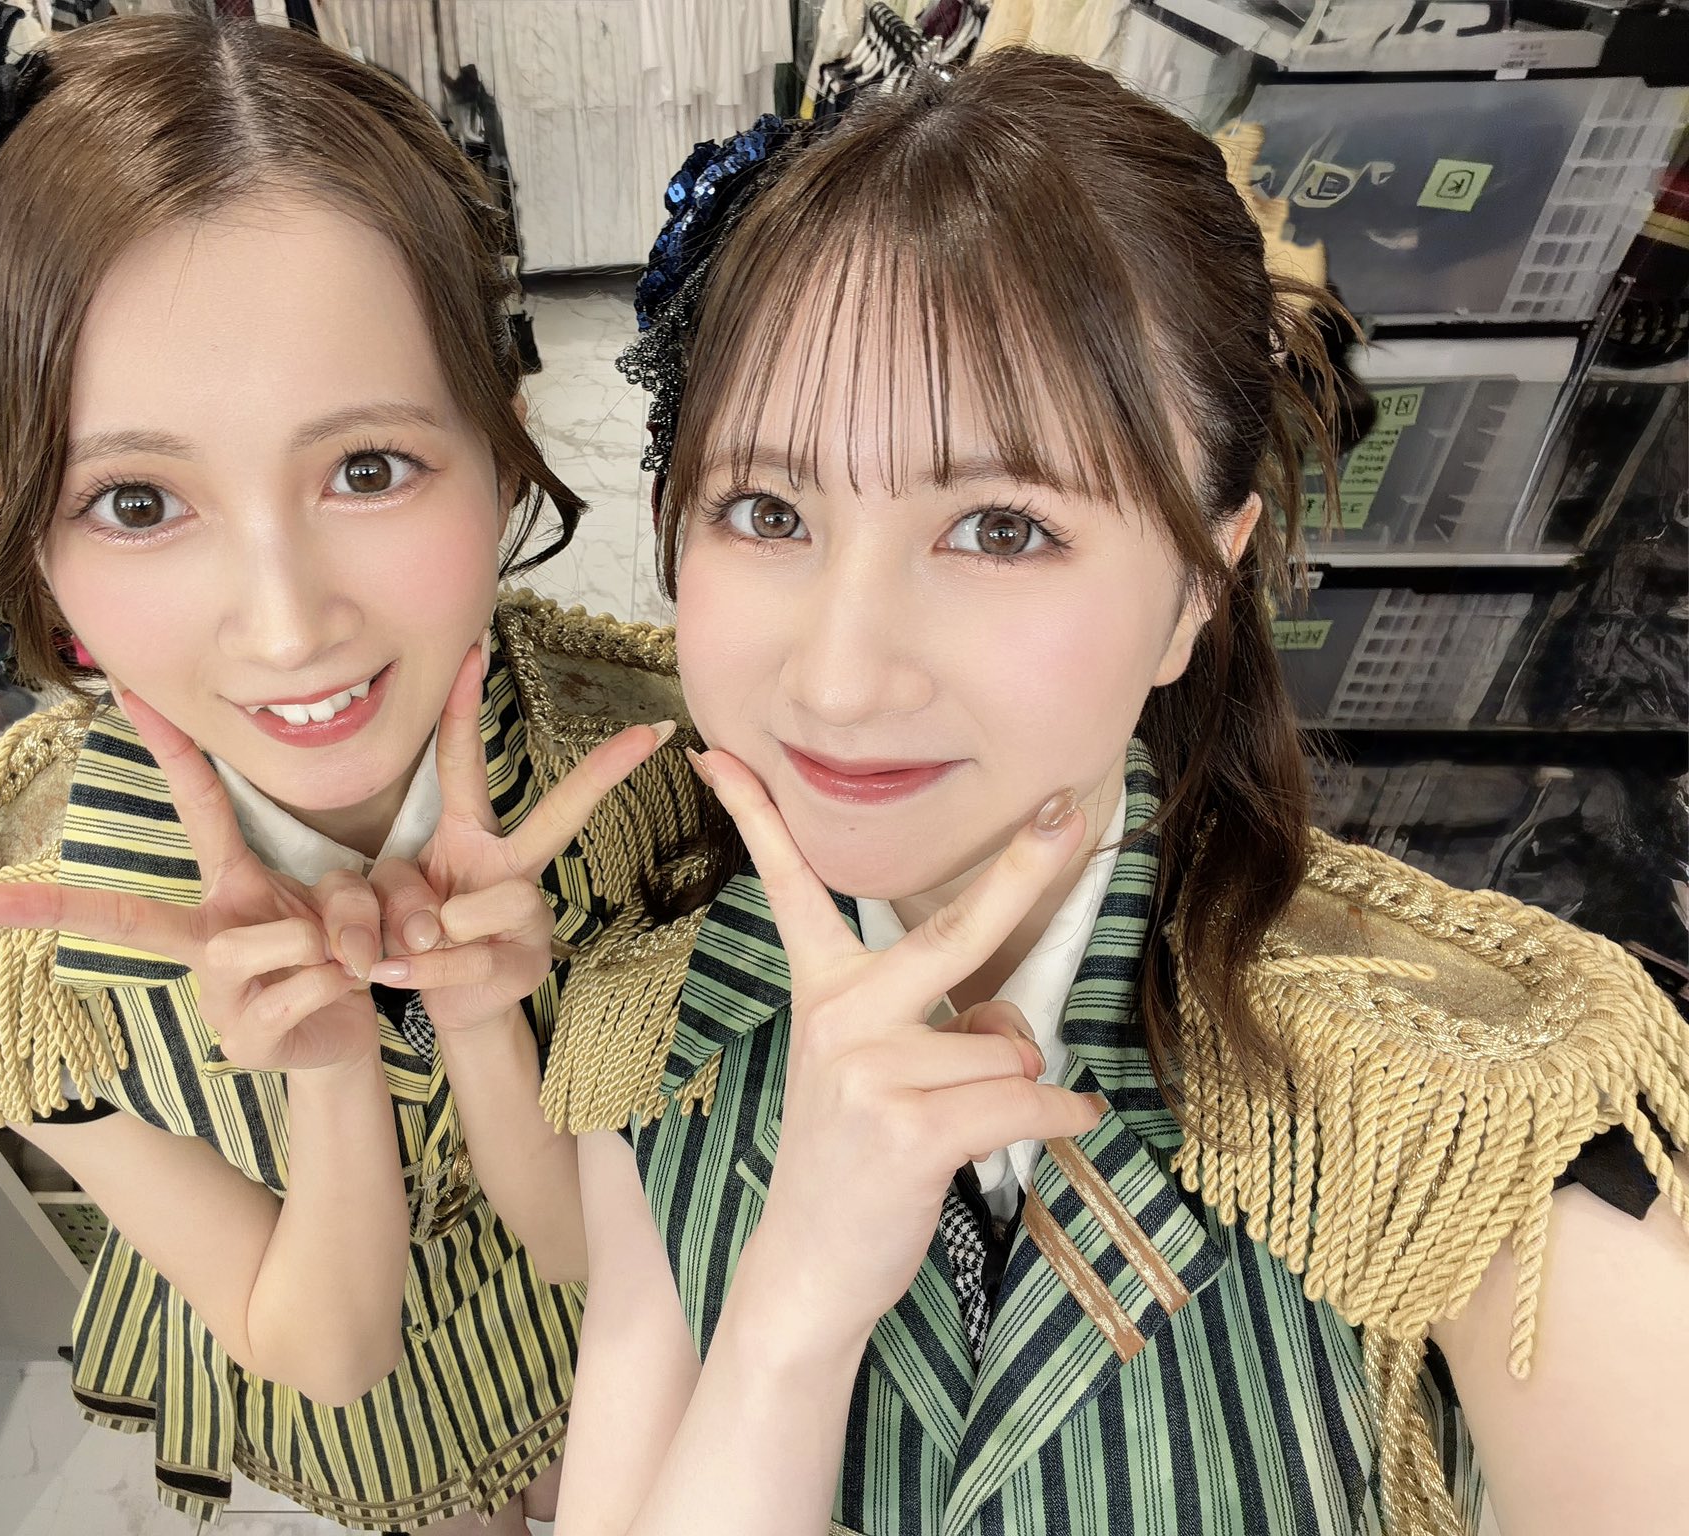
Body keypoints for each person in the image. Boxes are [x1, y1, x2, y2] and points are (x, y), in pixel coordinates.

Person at [541, 49, 1689, 1536]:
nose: (839, 677)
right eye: (768, 510)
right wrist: (788, 1319)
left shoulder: (1456, 1132)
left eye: (1001, 529)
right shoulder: (649, 1043)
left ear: (1200, 583)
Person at [0, 9, 696, 1530]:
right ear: (19, 518)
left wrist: (485, 1024)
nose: (287, 628)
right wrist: (334, 1072)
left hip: (598, 1326)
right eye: (138, 501)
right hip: (363, 1410)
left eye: (366, 469)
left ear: (503, 440)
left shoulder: (639, 783)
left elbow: (601, 1257)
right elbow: (324, 1354)